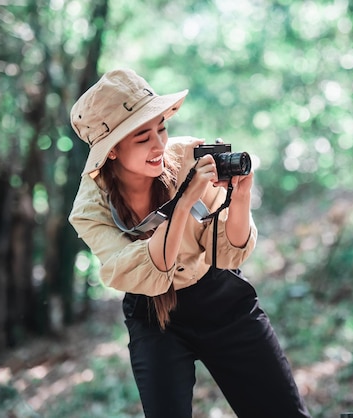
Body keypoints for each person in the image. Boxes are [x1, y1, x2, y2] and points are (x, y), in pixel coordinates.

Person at [68, 68, 311, 418]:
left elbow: (227, 253)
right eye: (142, 138)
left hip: (218, 296)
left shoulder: (190, 158)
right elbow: (154, 270)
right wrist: (183, 202)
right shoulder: (91, 208)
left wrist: (241, 197)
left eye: (162, 128)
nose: (159, 145)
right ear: (113, 151)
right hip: (154, 315)